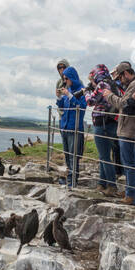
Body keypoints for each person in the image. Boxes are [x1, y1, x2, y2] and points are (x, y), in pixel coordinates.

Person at [106, 61, 135, 205]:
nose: (119, 81)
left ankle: (131, 195)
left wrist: (109, 95)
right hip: (127, 129)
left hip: (129, 130)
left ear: (125, 73)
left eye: (119, 78)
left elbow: (122, 104)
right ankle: (131, 192)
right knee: (128, 164)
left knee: (129, 164)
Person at [86, 64, 122, 196]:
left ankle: (111, 186)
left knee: (105, 156)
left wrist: (87, 92)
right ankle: (102, 183)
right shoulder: (113, 84)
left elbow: (90, 101)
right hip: (112, 122)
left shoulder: (102, 85)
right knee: (104, 155)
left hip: (102, 124)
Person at [55, 59, 87, 188]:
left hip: (74, 128)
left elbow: (82, 106)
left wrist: (69, 96)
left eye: (66, 79)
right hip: (65, 127)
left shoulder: (81, 90)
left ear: (72, 78)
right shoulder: (67, 89)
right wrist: (59, 98)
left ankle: (73, 181)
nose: (65, 81)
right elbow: (62, 106)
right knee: (68, 156)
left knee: (74, 157)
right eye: (63, 79)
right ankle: (69, 179)